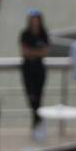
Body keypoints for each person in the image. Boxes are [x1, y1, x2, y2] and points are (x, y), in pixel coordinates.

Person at [19, 9, 50, 139]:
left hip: (39, 69)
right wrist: (35, 52)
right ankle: (38, 121)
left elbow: (45, 52)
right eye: (32, 20)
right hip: (27, 69)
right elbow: (24, 52)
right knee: (30, 96)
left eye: (36, 20)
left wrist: (32, 53)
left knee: (38, 95)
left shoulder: (44, 34)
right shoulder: (25, 34)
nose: (35, 22)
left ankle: (37, 123)